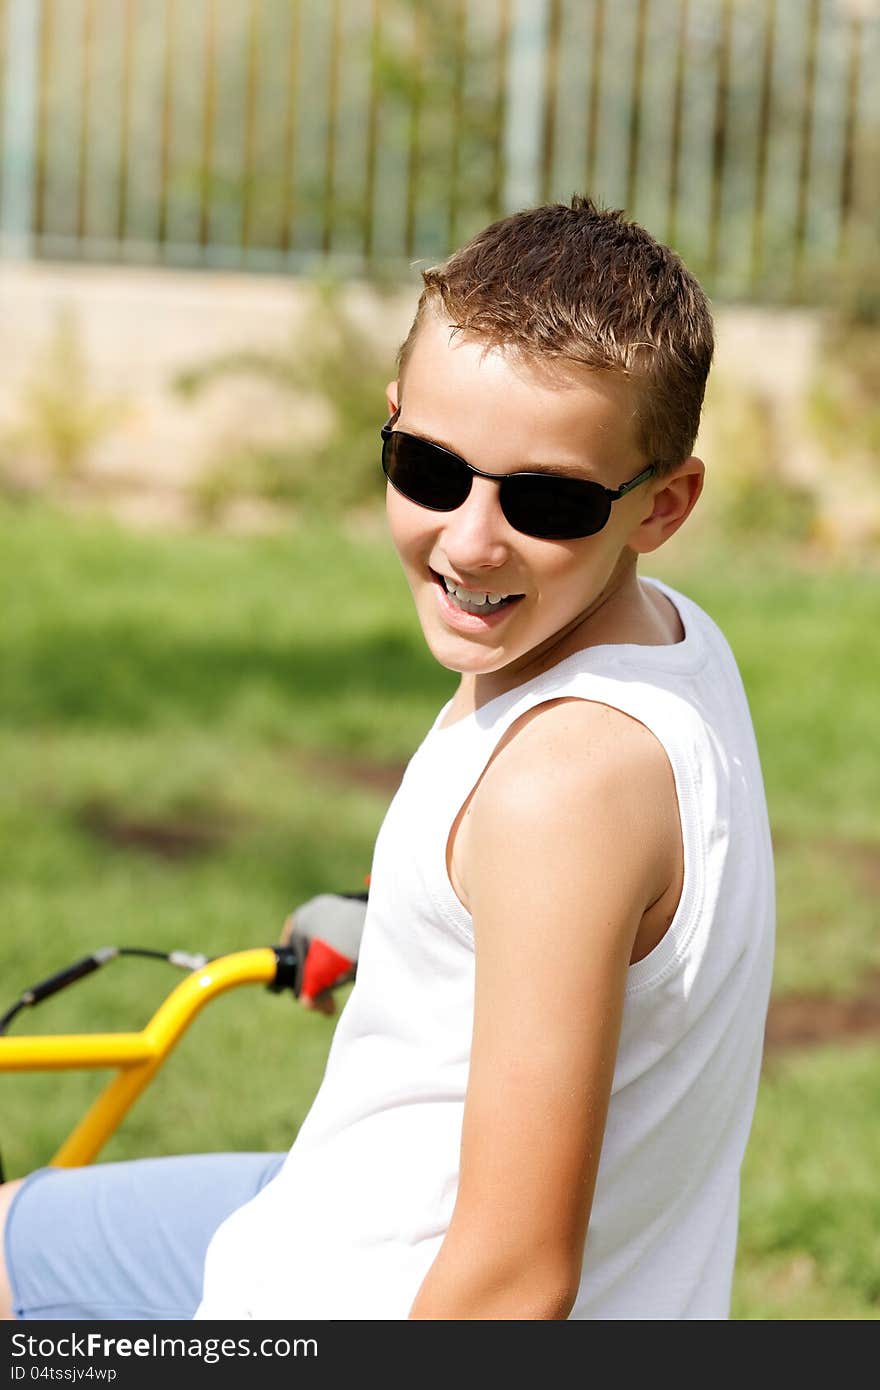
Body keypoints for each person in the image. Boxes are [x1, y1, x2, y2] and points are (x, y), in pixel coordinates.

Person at [1, 195, 775, 1321]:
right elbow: (591, 928)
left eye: (548, 500)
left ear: (663, 505)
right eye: (429, 467)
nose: (469, 536)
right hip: (335, 1211)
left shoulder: (563, 786)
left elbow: (510, 1287)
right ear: (395, 418)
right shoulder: (654, 637)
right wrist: (406, 925)